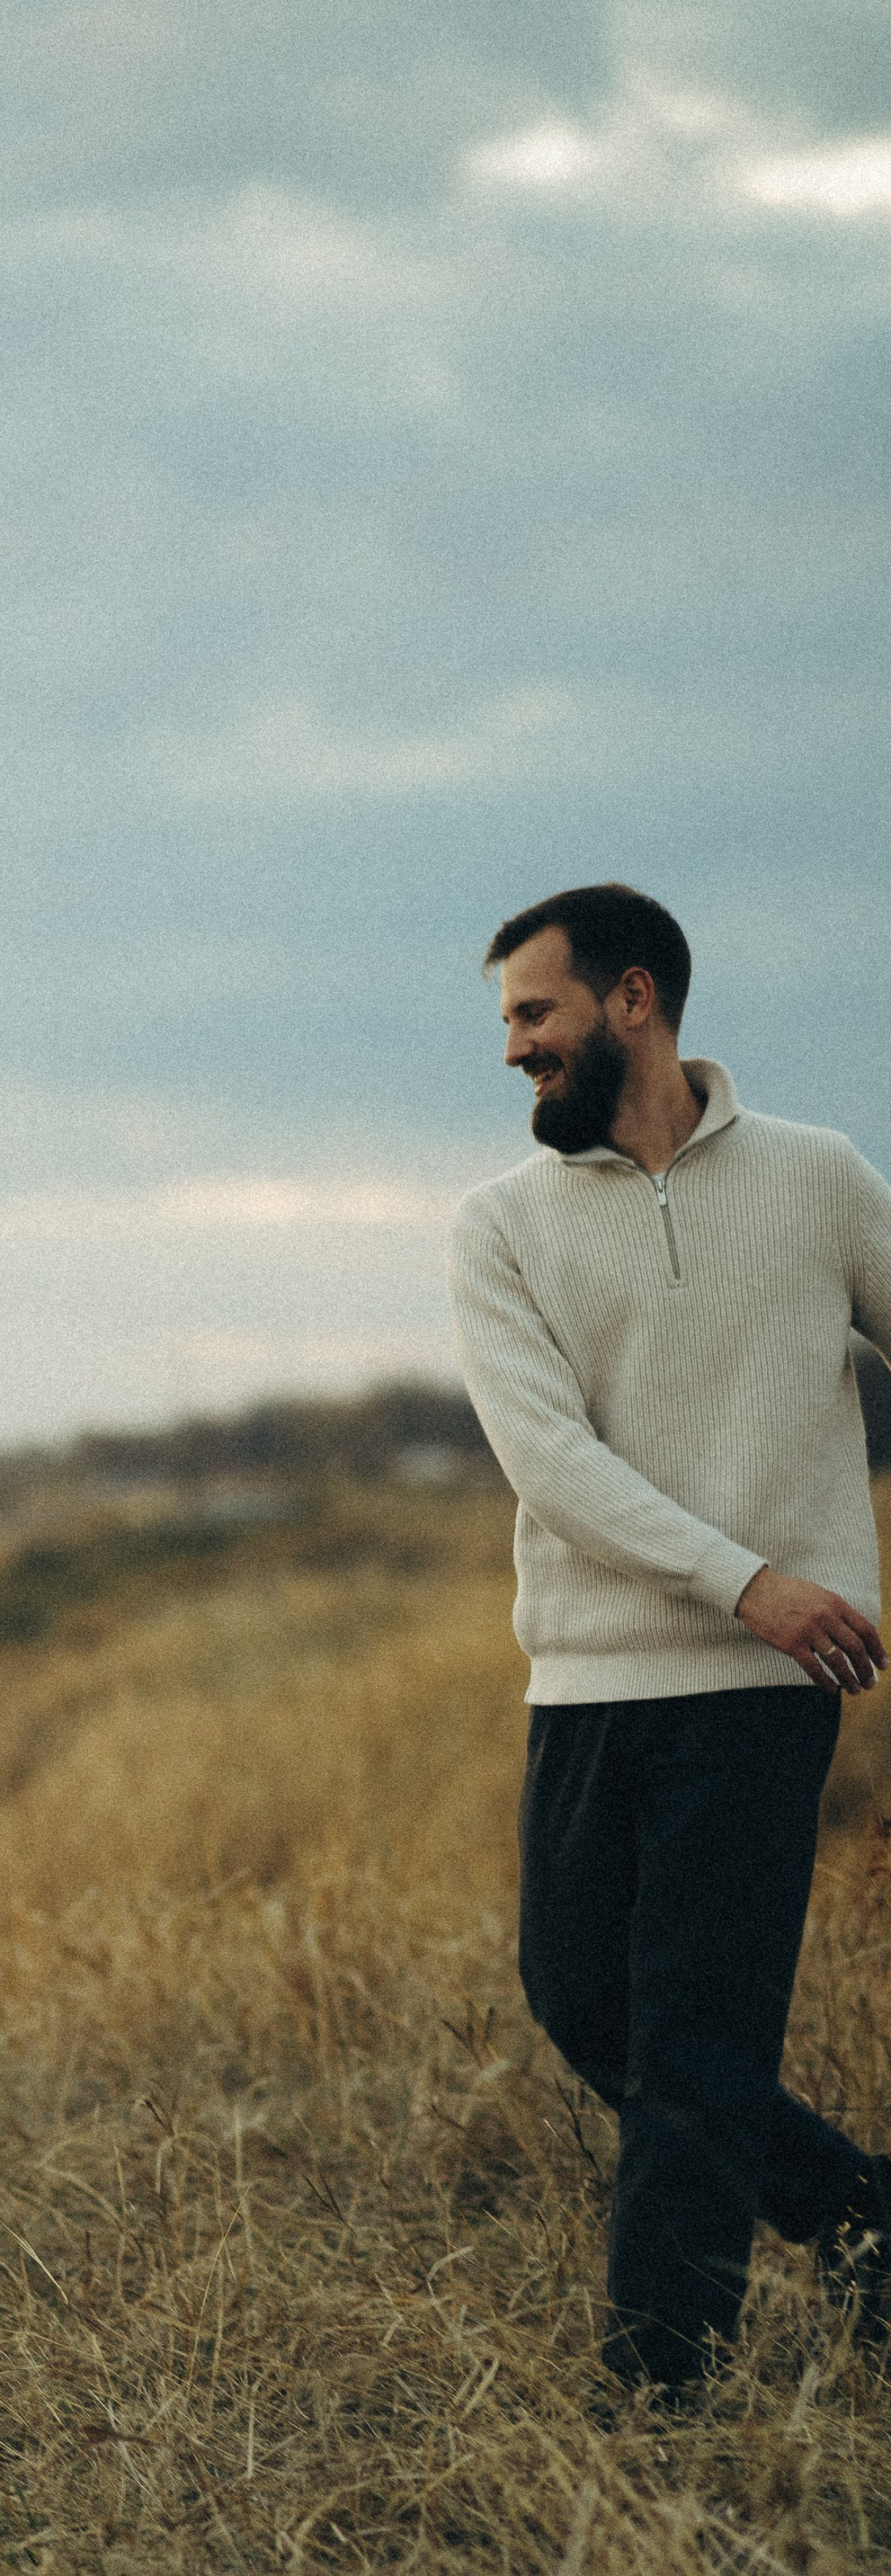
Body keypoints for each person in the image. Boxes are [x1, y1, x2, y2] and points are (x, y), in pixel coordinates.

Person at [448, 881, 891, 2396]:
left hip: (766, 1690)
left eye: (533, 1014)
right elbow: (552, 1464)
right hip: (588, 1674)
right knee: (583, 2001)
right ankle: (863, 2217)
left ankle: (660, 2395)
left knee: (699, 2041)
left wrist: (778, 1600)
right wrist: (747, 1575)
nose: (511, 1049)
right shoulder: (498, 1228)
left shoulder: (820, 1180)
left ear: (632, 1001)